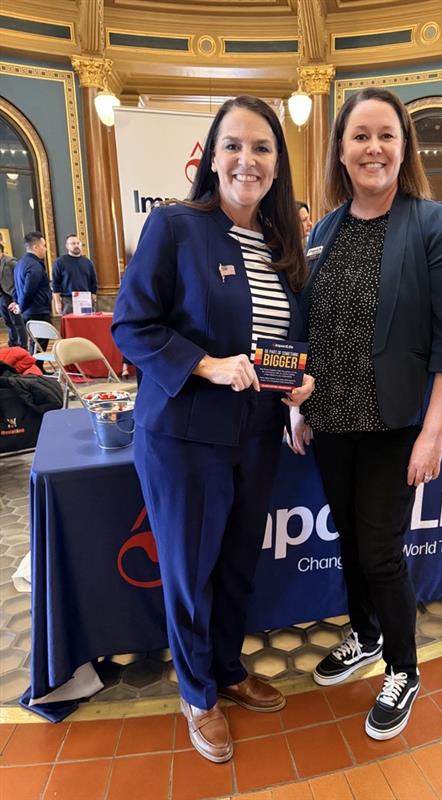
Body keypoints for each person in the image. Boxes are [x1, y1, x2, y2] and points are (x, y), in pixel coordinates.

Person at [112, 96, 314, 764]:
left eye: (261, 148)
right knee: (191, 570)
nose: (246, 160)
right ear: (212, 156)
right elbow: (131, 326)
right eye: (233, 145)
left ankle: (226, 668)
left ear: (277, 165)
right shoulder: (175, 226)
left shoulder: (284, 246)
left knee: (236, 566)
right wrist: (206, 364)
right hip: (184, 436)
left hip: (257, 435)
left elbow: (286, 344)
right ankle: (198, 694)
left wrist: (296, 393)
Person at [288, 88, 442, 741]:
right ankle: (364, 635)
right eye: (360, 136)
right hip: (330, 422)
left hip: (394, 426)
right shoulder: (323, 232)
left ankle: (403, 666)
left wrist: (434, 432)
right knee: (350, 542)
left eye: (385, 135)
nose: (373, 148)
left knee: (380, 552)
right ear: (340, 151)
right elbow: (306, 330)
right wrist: (297, 408)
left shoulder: (433, 226)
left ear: (403, 148)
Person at [13, 231, 52, 365]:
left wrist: (17, 303)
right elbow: (29, 290)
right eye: (44, 246)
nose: (45, 249)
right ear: (35, 247)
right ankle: (35, 370)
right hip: (37, 311)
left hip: (29, 311)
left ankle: (36, 369)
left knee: (34, 343)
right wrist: (20, 306)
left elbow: (16, 287)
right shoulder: (34, 265)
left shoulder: (20, 263)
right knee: (39, 344)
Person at [51, 234, 98, 315]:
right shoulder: (60, 262)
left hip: (85, 299)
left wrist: (93, 296)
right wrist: (57, 302)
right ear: (67, 246)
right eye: (73, 243)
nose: (76, 245)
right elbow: (55, 284)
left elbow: (93, 281)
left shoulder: (88, 262)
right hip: (68, 300)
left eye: (78, 243)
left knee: (87, 322)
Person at [0, 242, 27, 349]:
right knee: (7, 321)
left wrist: (17, 300)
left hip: (12, 295)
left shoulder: (10, 262)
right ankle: (13, 343)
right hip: (2, 296)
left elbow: (20, 279)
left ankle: (23, 345)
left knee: (17, 322)